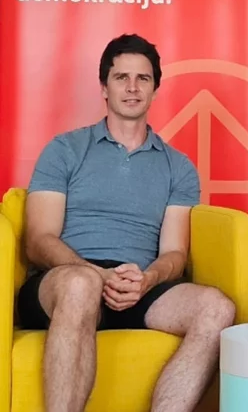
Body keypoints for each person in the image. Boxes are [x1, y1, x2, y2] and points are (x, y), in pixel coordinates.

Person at [16, 33, 236, 412]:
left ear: (154, 89)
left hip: (135, 285)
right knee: (81, 285)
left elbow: (174, 253)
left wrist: (147, 280)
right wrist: (94, 273)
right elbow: (38, 240)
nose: (132, 88)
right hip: (65, 279)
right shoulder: (65, 149)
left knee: (217, 308)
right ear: (104, 87)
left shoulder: (178, 167)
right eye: (121, 78)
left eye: (142, 79)